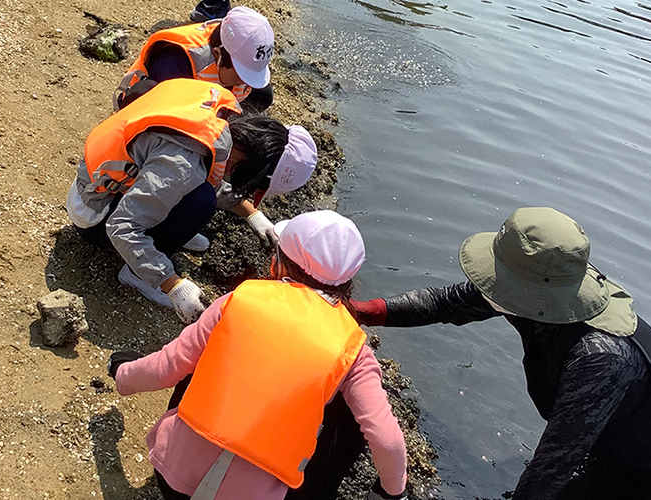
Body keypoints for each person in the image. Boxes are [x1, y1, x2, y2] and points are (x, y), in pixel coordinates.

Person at [351, 207, 651, 500]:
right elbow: (449, 303)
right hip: (619, 443)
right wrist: (366, 312)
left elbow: (555, 462)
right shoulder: (543, 289)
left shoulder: (600, 357)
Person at [107, 210, 409, 500]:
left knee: (205, 356)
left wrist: (122, 373)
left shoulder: (241, 299)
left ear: (277, 265)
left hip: (173, 480)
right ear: (347, 283)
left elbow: (166, 367)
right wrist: (392, 492)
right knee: (349, 409)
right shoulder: (353, 348)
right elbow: (387, 439)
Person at [66, 78, 316, 323]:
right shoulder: (183, 163)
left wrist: (253, 215)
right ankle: (137, 275)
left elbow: (202, 175)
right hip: (94, 213)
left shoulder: (221, 108)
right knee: (202, 200)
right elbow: (122, 226)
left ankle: (165, 234)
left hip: (99, 176)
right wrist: (172, 284)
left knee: (203, 191)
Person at [114, 6, 275, 112]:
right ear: (218, 55)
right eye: (241, 75)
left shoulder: (234, 45)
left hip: (202, 94)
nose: (245, 83)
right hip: (149, 101)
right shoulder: (178, 61)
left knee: (263, 95)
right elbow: (165, 110)